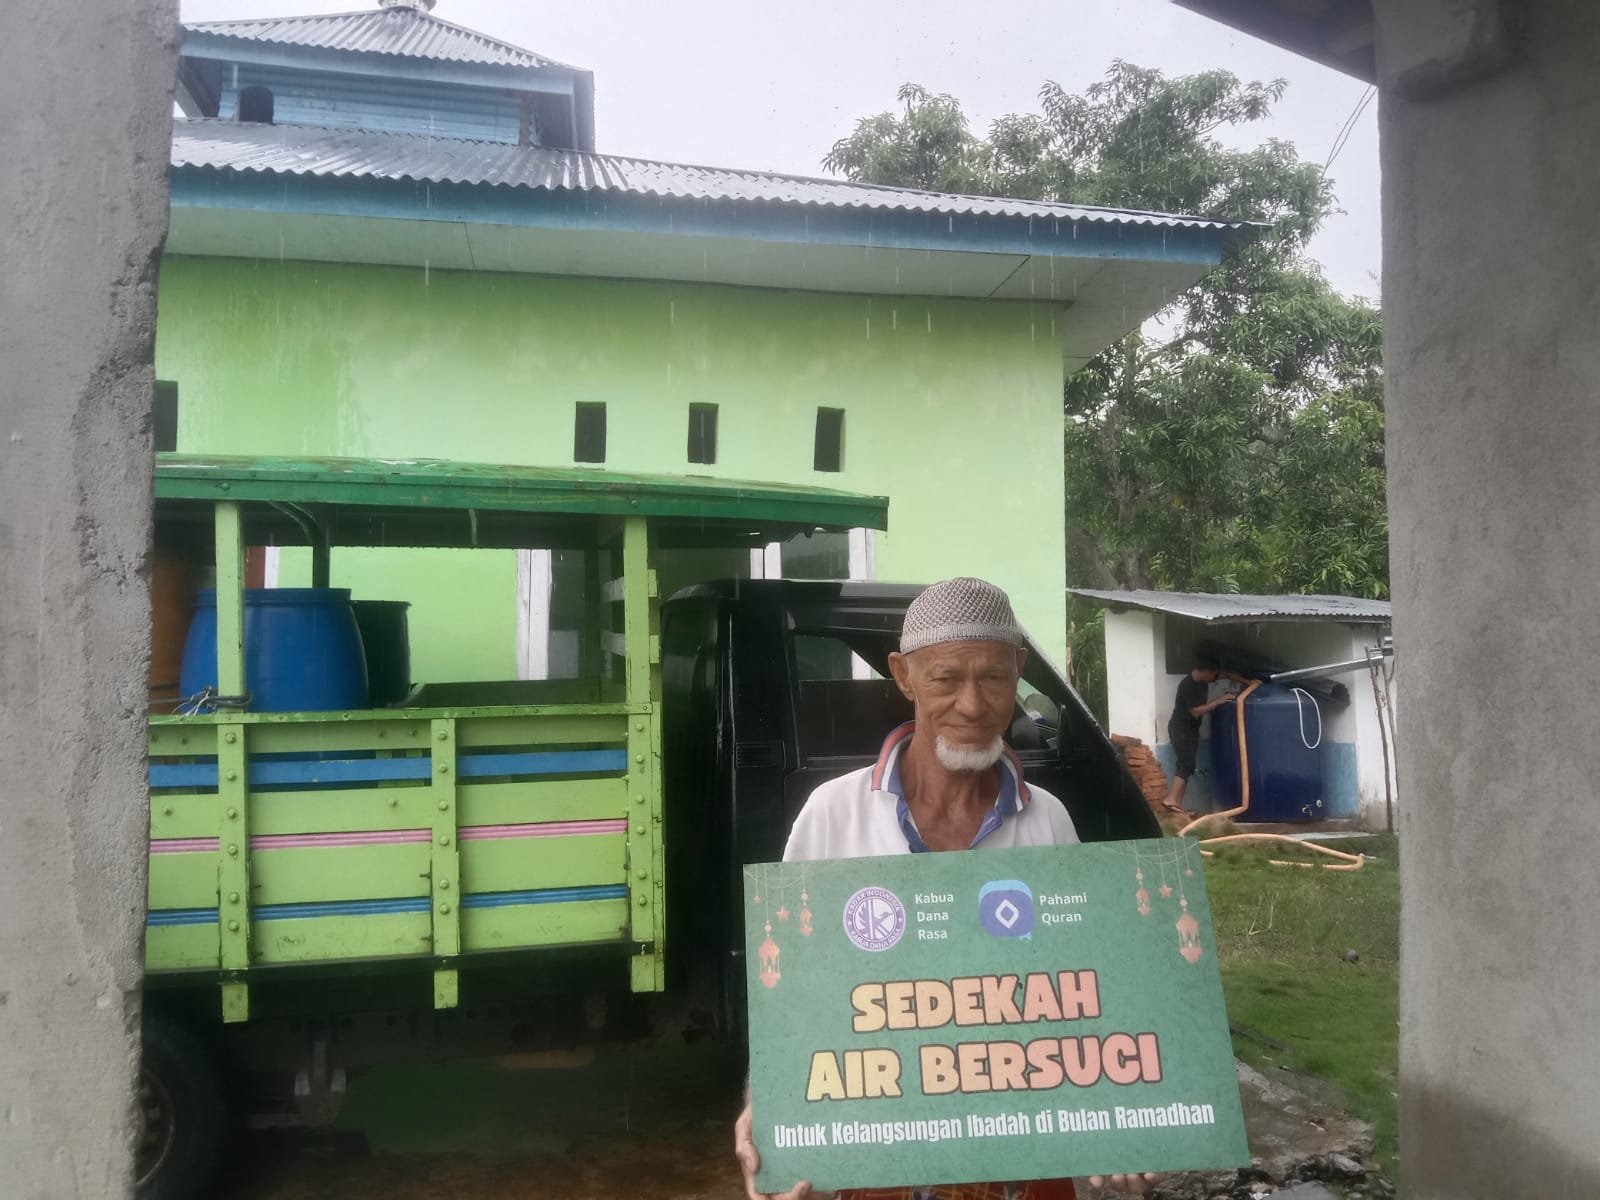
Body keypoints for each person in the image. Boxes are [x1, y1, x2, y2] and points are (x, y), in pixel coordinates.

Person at [733, 577, 1159, 1200]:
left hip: (1026, 1157)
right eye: (945, 679)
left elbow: (1085, 993)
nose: (972, 704)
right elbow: (792, 992)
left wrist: (1131, 1119)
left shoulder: (1049, 820)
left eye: (993, 677)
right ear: (903, 677)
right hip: (881, 1162)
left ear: (1019, 672)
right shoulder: (833, 814)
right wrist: (765, 1103)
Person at [1159, 655, 1245, 815]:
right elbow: (1195, 712)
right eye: (1213, 675)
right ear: (1205, 671)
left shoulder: (1205, 679)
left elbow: (1227, 673)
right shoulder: (1187, 686)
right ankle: (1170, 799)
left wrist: (1248, 682)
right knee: (1186, 764)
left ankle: (1176, 804)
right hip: (1180, 728)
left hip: (1190, 729)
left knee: (1188, 766)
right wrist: (1218, 701)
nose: (1215, 678)